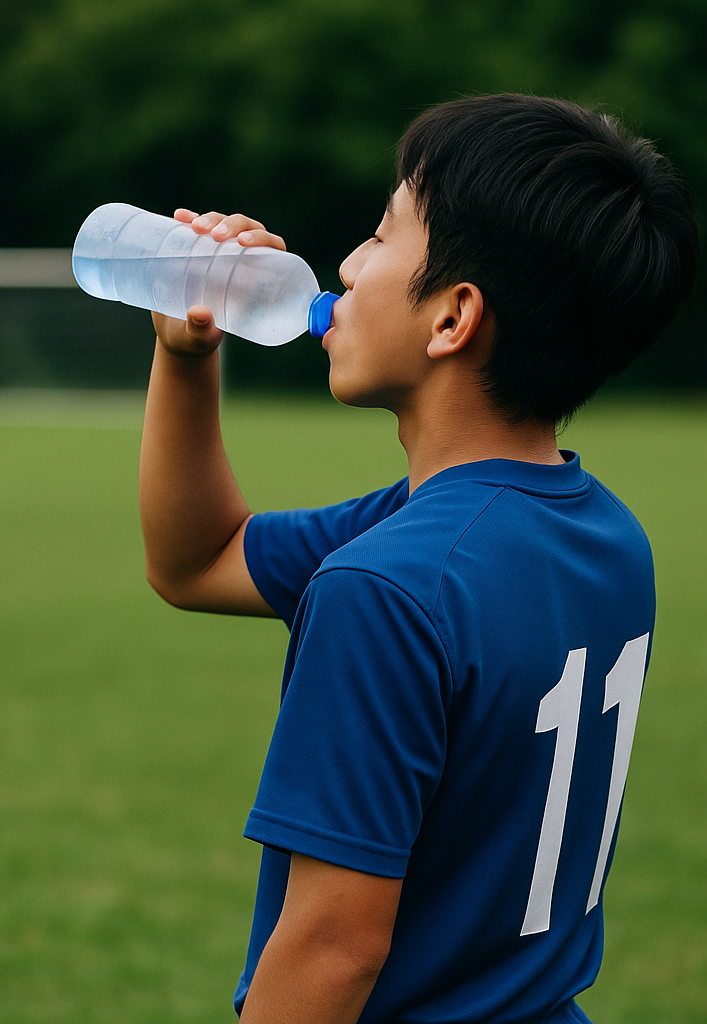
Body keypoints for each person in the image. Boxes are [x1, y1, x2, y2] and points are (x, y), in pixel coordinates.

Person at [138, 94, 698, 1023]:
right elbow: (198, 561)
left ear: (451, 319)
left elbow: (332, 950)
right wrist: (189, 358)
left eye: (378, 235)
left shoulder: (389, 584)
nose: (346, 268)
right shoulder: (606, 537)